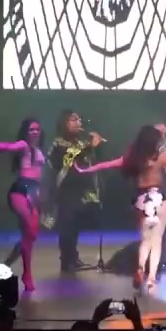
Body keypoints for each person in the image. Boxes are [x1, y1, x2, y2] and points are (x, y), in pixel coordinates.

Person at [77, 125, 166, 293]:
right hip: (158, 197)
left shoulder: (133, 159)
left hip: (141, 199)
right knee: (156, 241)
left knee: (145, 240)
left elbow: (108, 165)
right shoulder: (161, 157)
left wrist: (86, 169)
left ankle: (140, 268)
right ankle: (151, 279)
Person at [0, 117, 47, 292]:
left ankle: (6, 265)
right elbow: (8, 147)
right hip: (20, 190)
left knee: (30, 235)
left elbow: (40, 175)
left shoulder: (39, 150)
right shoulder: (23, 145)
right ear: (25, 132)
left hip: (34, 191)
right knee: (28, 228)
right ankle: (27, 275)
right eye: (31, 129)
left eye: (37, 129)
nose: (35, 132)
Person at [47, 110, 105, 271]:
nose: (78, 122)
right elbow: (65, 161)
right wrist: (89, 148)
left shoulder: (81, 143)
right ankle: (66, 260)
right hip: (66, 190)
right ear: (64, 123)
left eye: (79, 119)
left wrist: (97, 147)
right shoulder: (58, 143)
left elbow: (91, 162)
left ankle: (74, 257)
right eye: (73, 119)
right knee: (67, 225)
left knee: (75, 226)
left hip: (81, 190)